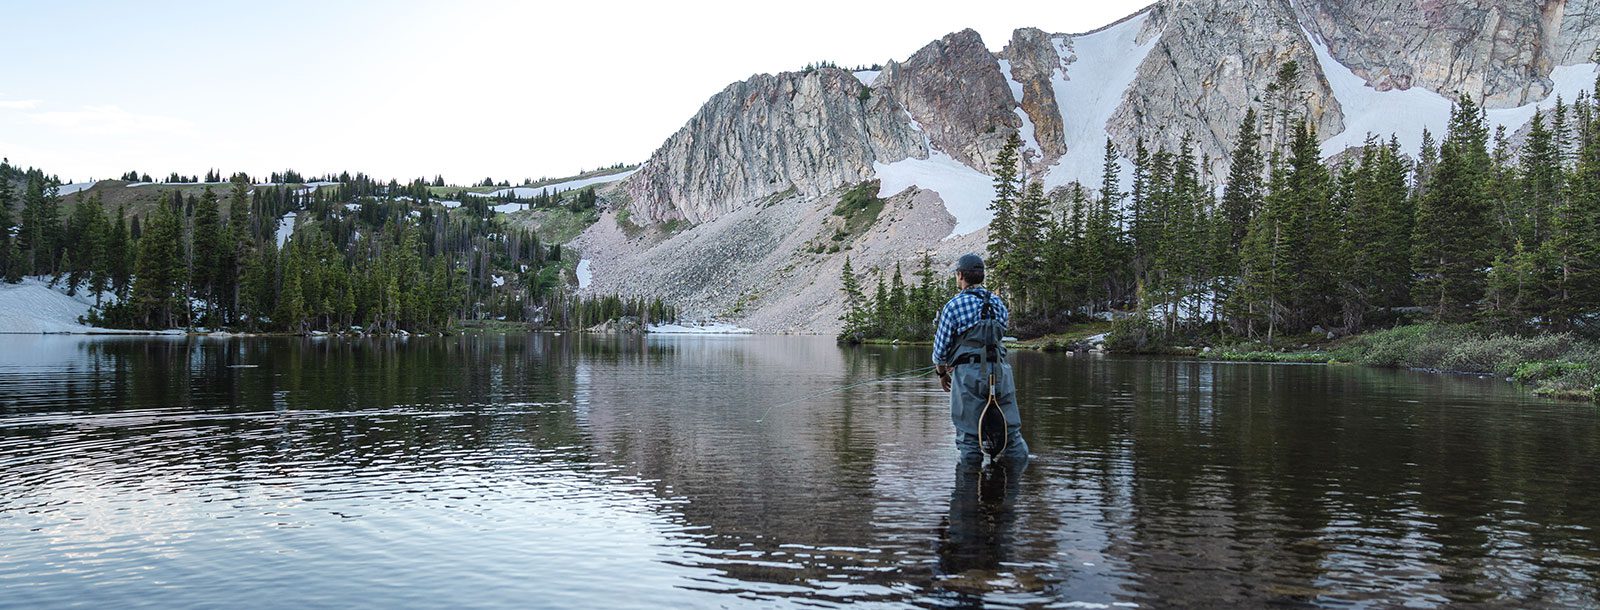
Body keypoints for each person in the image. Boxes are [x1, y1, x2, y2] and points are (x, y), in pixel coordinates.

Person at [932, 253, 1028, 464]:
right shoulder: (998, 303)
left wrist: (941, 373)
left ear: (960, 275)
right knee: (1012, 436)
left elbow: (939, 351)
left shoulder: (953, 306)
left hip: (969, 376)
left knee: (969, 439)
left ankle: (967, 492)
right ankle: (1014, 488)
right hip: (1001, 372)